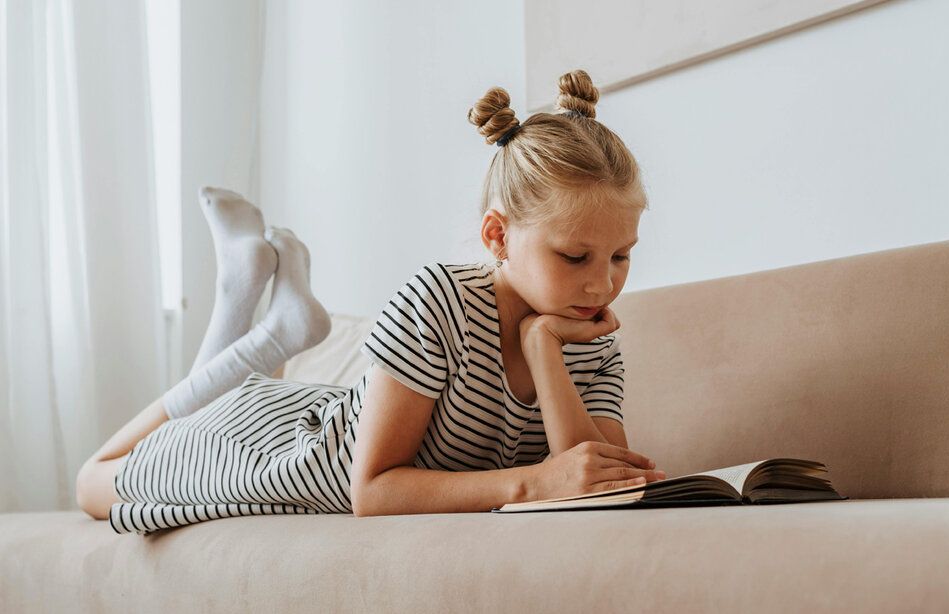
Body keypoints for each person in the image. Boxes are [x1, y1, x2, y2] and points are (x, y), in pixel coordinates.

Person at [75, 68, 666, 535]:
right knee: (90, 482)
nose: (601, 284)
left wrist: (543, 348)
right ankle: (261, 330)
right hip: (276, 452)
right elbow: (373, 490)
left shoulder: (585, 336)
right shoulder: (440, 300)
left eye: (621, 256)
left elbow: (597, 480)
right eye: (574, 257)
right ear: (498, 236)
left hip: (326, 415)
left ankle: (265, 317)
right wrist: (531, 484)